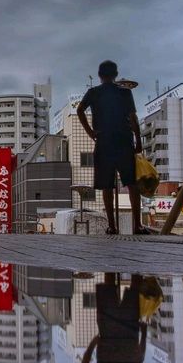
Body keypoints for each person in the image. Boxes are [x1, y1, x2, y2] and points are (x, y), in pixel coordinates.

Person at [76, 60, 149, 235]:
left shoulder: (93, 92)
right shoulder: (124, 93)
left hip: (103, 141)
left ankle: (112, 226)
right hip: (124, 140)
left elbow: (79, 110)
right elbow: (133, 118)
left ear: (100, 75)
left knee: (106, 185)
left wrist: (91, 132)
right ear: (116, 74)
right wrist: (138, 141)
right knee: (132, 184)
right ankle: (137, 225)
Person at [81, 274, 147, 363]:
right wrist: (95, 341)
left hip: (129, 332)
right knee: (109, 286)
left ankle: (136, 258)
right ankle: (111, 255)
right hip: (108, 330)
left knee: (134, 287)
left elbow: (139, 357)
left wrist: (144, 333)